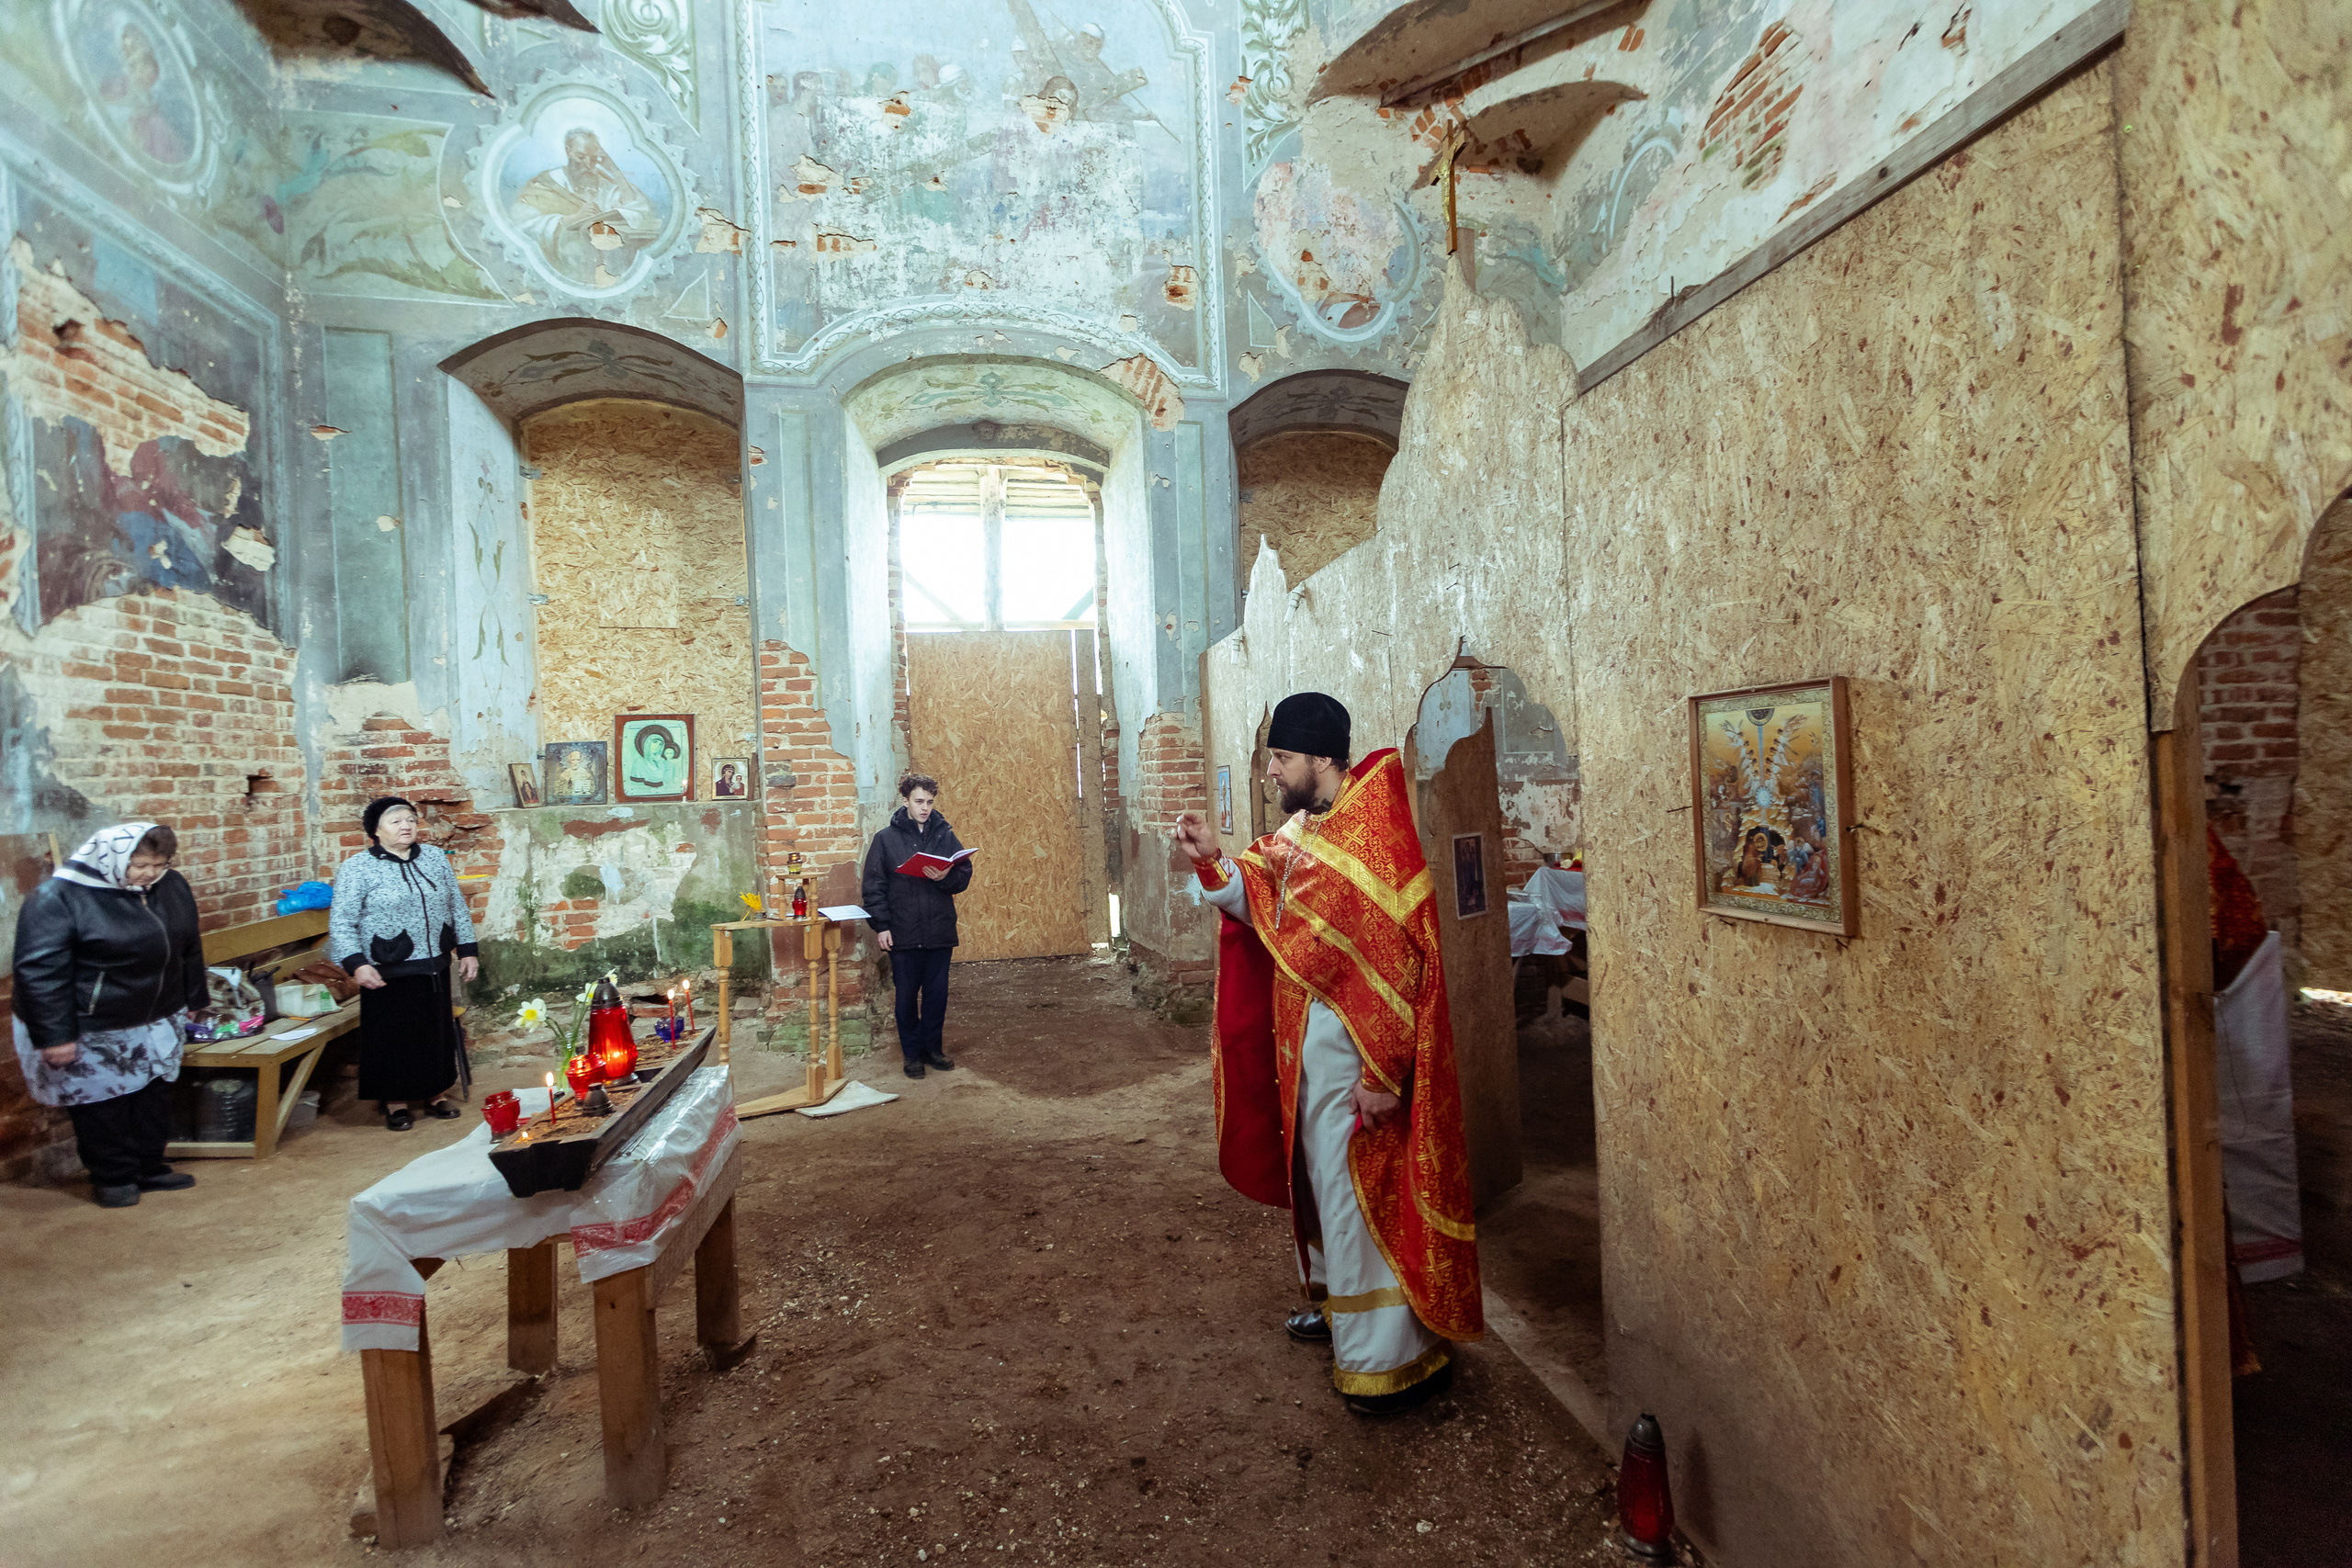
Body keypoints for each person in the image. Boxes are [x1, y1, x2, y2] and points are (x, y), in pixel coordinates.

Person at [1173, 692, 1483, 1416]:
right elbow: (1262, 891)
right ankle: (1345, 1312)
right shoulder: (1308, 828)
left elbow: (1403, 969)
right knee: (1322, 1187)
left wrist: (1382, 1075)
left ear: (1320, 757)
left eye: (1281, 758)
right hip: (1306, 1062)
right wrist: (1214, 861)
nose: (1271, 771)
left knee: (1358, 1198)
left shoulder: (1374, 838)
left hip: (1357, 1068)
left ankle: (1388, 1359)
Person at [10, 823, 206, 1208]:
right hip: (94, 1022)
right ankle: (112, 1177)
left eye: (160, 865)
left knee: (154, 1095)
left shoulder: (171, 886)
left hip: (158, 1014)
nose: (150, 874)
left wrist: (194, 995)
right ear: (111, 857)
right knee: (102, 1104)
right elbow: (39, 972)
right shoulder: (58, 898)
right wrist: (55, 1036)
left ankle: (150, 1167)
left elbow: (189, 945)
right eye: (140, 865)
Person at [330, 797, 480, 1131]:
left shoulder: (435, 858)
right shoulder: (358, 867)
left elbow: (456, 905)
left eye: (410, 819)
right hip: (387, 968)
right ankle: (395, 1102)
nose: (406, 826)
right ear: (376, 830)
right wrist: (356, 964)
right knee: (393, 1037)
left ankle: (436, 1094)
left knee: (434, 1033)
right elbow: (341, 921)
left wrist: (468, 949)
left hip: (435, 965)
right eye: (396, 821)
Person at [860, 773, 973, 1079]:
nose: (925, 808)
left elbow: (963, 876)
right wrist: (882, 926)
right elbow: (873, 886)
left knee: (937, 996)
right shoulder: (885, 839)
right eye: (919, 801)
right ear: (905, 801)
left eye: (930, 802)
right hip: (903, 931)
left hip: (939, 929)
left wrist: (946, 877)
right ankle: (911, 1055)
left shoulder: (945, 835)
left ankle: (933, 1050)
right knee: (907, 997)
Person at [508, 128, 661, 288]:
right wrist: (572, 219)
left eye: (594, 159)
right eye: (581, 157)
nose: (588, 165)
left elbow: (640, 209)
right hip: (564, 273)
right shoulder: (546, 184)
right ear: (568, 152)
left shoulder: (602, 182)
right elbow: (520, 222)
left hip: (607, 271)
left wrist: (614, 170)